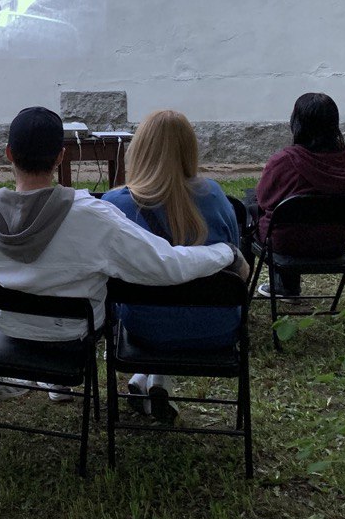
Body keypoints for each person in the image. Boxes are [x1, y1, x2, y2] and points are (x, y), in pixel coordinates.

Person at [0, 107, 247, 406]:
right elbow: (164, 265)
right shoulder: (91, 216)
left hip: (8, 326)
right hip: (71, 334)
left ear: (9, 153)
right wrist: (224, 252)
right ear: (61, 156)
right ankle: (63, 381)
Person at [101, 110, 241, 424]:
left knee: (156, 303)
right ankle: (152, 381)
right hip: (216, 329)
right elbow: (235, 258)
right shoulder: (216, 197)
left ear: (139, 150)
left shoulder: (113, 206)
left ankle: (146, 376)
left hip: (146, 329)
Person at [253, 93, 345, 300]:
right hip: (334, 243)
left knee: (248, 215)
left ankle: (266, 288)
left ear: (297, 123)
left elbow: (264, 199)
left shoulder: (285, 161)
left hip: (286, 244)